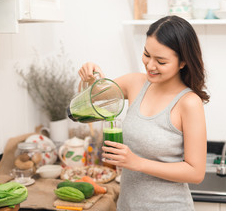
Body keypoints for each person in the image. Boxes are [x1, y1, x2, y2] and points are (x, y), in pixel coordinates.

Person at [78, 15, 209, 211]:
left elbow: (195, 173)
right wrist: (91, 77)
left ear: (182, 62)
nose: (150, 65)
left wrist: (137, 162)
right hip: (128, 206)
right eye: (147, 55)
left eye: (161, 61)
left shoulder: (189, 103)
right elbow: (91, 100)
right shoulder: (135, 83)